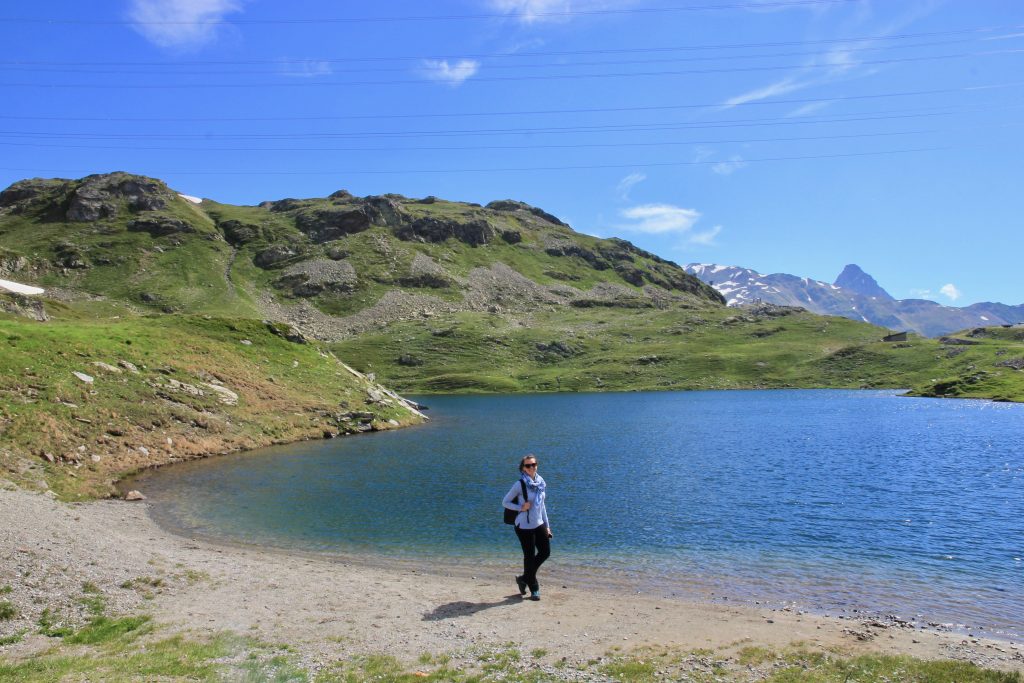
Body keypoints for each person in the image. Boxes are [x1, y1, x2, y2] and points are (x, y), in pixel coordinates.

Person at [502, 454, 552, 601]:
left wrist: (547, 526)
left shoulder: (541, 483)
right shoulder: (520, 484)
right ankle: (534, 587)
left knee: (545, 552)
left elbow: (542, 507)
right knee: (529, 556)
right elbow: (505, 502)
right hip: (523, 526)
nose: (532, 467)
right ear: (523, 468)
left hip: (539, 523)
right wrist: (521, 507)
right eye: (528, 465)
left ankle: (524, 578)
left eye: (534, 464)